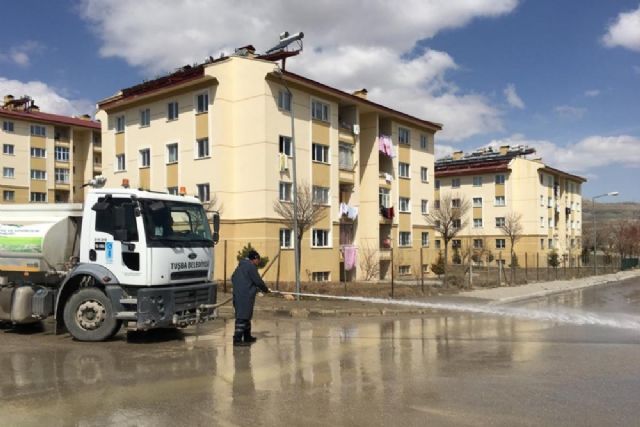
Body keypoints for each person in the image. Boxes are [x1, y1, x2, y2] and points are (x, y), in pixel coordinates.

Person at [231, 250, 270, 346]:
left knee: (246, 316)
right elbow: (258, 281)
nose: (259, 262)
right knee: (242, 317)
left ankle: (247, 336)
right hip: (245, 295)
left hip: (239, 294)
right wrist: (265, 289)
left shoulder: (241, 266)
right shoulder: (250, 266)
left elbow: (233, 278)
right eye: (258, 260)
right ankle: (237, 339)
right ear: (255, 259)